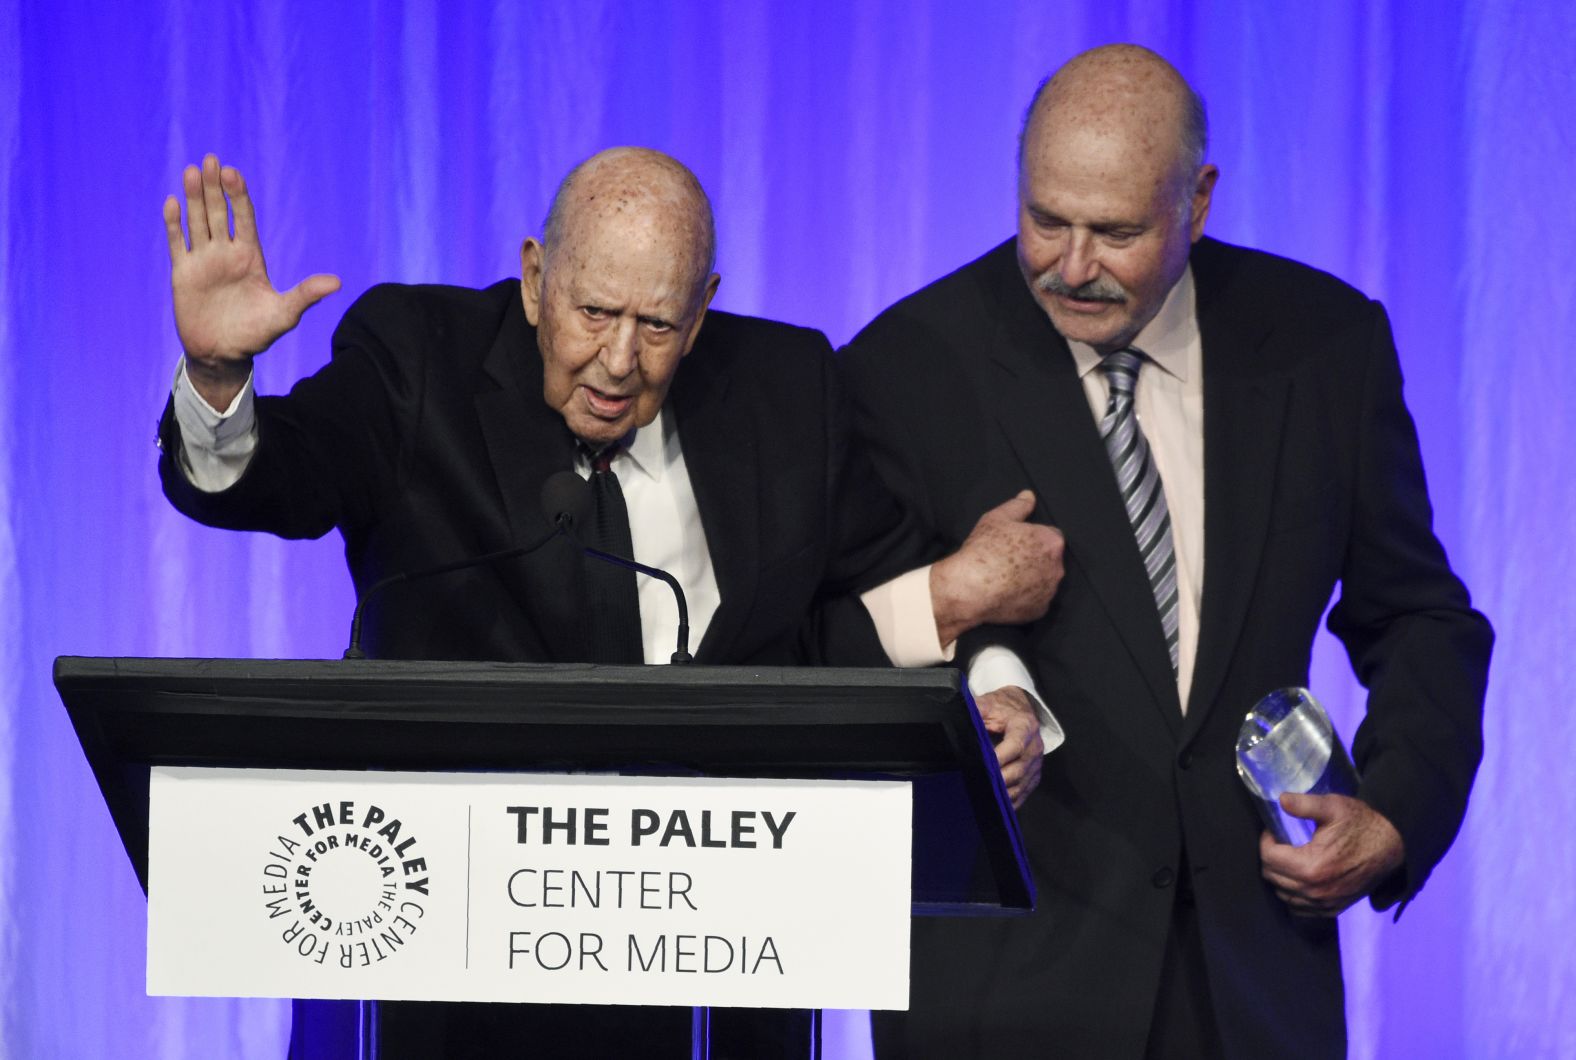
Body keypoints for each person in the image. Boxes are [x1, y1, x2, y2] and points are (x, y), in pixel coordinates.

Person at [158, 147, 1061, 1058]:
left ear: (703, 308)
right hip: (448, 981)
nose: (620, 360)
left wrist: (999, 684)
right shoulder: (418, 356)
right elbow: (291, 475)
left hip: (725, 978)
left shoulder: (789, 388)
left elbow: (901, 576)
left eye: (658, 324)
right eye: (593, 313)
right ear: (536, 277)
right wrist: (220, 382)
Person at [840, 44, 1492, 1059]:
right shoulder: (904, 367)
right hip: (1011, 986)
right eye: (1044, 219)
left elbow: (1417, 614)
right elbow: (828, 637)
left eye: (1114, 232)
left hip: (1250, 978)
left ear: (1198, 198)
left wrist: (1395, 816)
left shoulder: (1324, 345)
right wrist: (960, 636)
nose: (1068, 264)